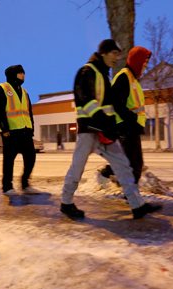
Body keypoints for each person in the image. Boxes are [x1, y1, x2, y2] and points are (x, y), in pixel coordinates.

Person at [60, 39, 161, 220]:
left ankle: (137, 205)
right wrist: (105, 123)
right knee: (77, 168)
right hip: (89, 131)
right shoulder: (87, 72)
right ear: (104, 53)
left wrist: (112, 127)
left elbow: (109, 107)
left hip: (105, 132)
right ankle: (66, 203)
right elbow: (86, 101)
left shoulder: (103, 75)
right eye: (114, 53)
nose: (117, 58)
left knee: (124, 166)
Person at [99, 46, 152, 184]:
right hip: (126, 128)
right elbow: (116, 103)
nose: (145, 66)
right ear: (137, 61)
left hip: (131, 128)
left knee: (128, 162)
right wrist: (133, 120)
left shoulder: (133, 79)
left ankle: (106, 173)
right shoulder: (124, 77)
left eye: (147, 63)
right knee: (135, 165)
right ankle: (133, 200)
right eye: (144, 62)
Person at [0, 64, 39, 195]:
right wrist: (4, 129)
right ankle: (7, 187)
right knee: (9, 160)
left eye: (23, 73)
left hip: (25, 131)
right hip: (11, 132)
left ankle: (25, 184)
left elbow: (29, 112)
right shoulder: (2, 88)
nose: (23, 75)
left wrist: (32, 129)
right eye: (21, 73)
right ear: (13, 74)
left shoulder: (24, 91)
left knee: (31, 157)